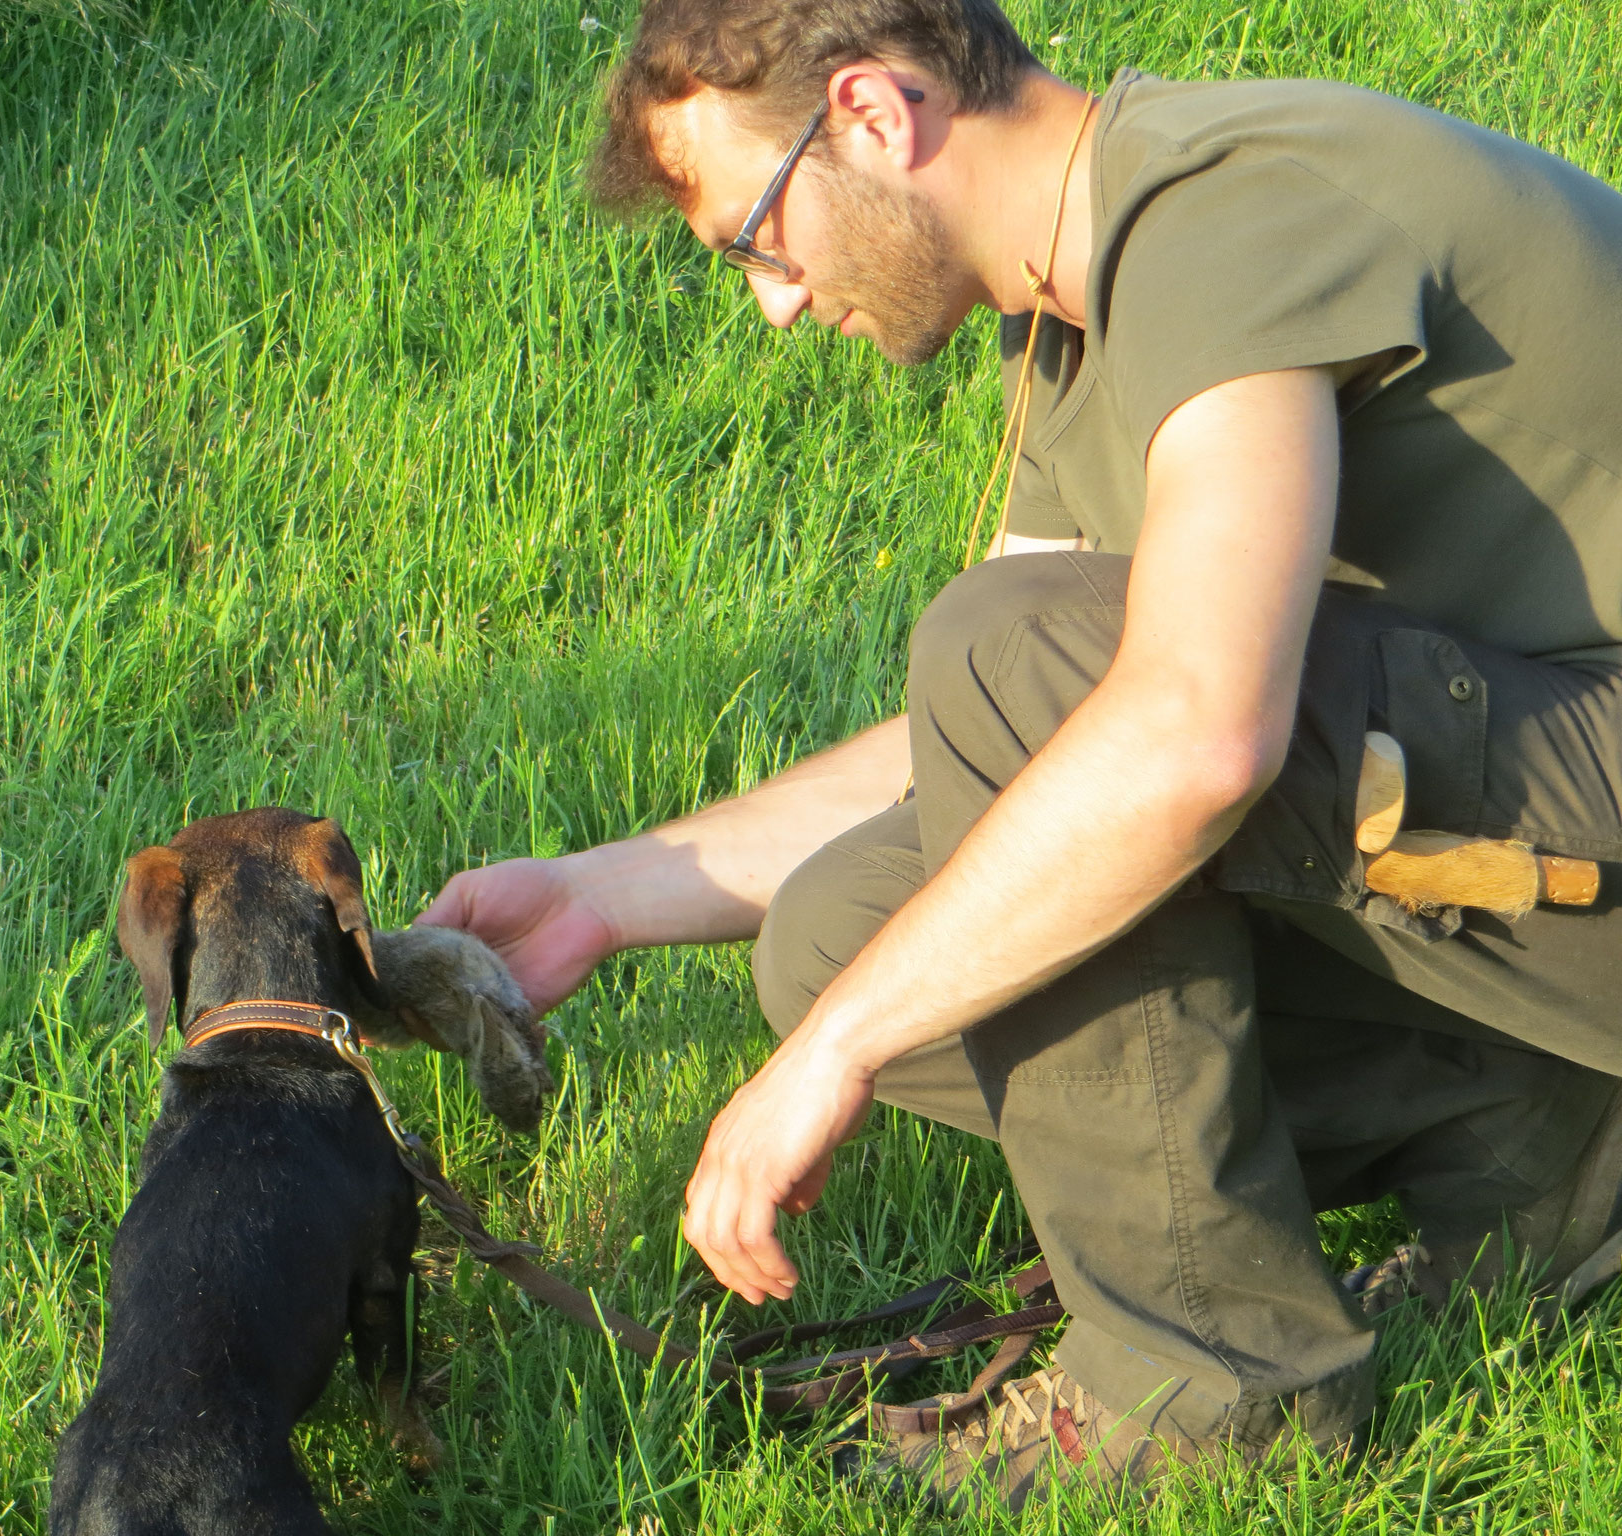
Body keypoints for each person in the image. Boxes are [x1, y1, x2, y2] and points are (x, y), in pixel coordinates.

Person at [417, 0, 1622, 1508]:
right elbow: (995, 750)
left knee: (987, 705)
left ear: (872, 112)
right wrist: (610, 891)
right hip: (1566, 812)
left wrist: (834, 1059)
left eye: (757, 244)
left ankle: (1208, 1397)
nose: (774, 308)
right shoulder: (1072, 324)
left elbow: (1187, 730)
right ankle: (1543, 1141)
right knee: (845, 929)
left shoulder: (1214, 217)